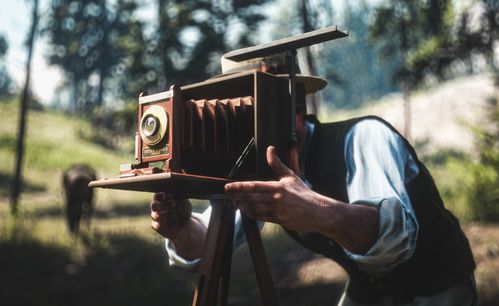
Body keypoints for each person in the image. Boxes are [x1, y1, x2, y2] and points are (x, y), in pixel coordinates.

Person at [150, 54, 477, 306]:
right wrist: (181, 231)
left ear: (291, 112)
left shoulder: (364, 137)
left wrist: (316, 211)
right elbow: (209, 243)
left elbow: (392, 238)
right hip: (370, 287)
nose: (238, 128)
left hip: (438, 281)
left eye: (248, 112)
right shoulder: (252, 166)